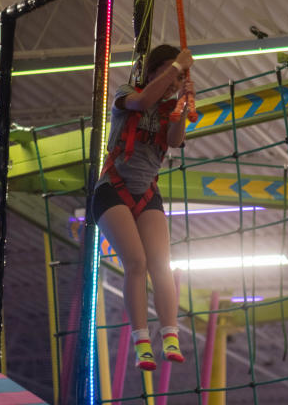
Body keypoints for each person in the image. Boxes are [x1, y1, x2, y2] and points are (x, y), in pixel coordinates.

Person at [91, 44, 195, 371]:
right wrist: (177, 66)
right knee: (135, 262)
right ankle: (141, 342)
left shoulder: (167, 107)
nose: (173, 81)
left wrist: (182, 110)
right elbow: (143, 101)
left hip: (146, 192)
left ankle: (170, 335)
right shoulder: (127, 94)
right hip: (112, 190)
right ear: (152, 73)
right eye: (166, 74)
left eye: (177, 77)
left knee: (160, 264)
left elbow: (176, 140)